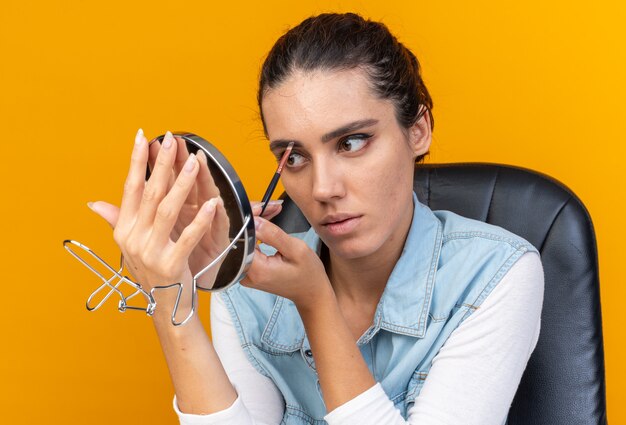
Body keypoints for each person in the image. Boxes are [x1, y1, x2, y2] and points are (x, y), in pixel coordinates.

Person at [89, 12, 544, 425]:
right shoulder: (249, 289)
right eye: (295, 157)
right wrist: (173, 303)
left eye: (352, 142)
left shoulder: (497, 274)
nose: (323, 188)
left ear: (418, 130)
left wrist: (315, 303)